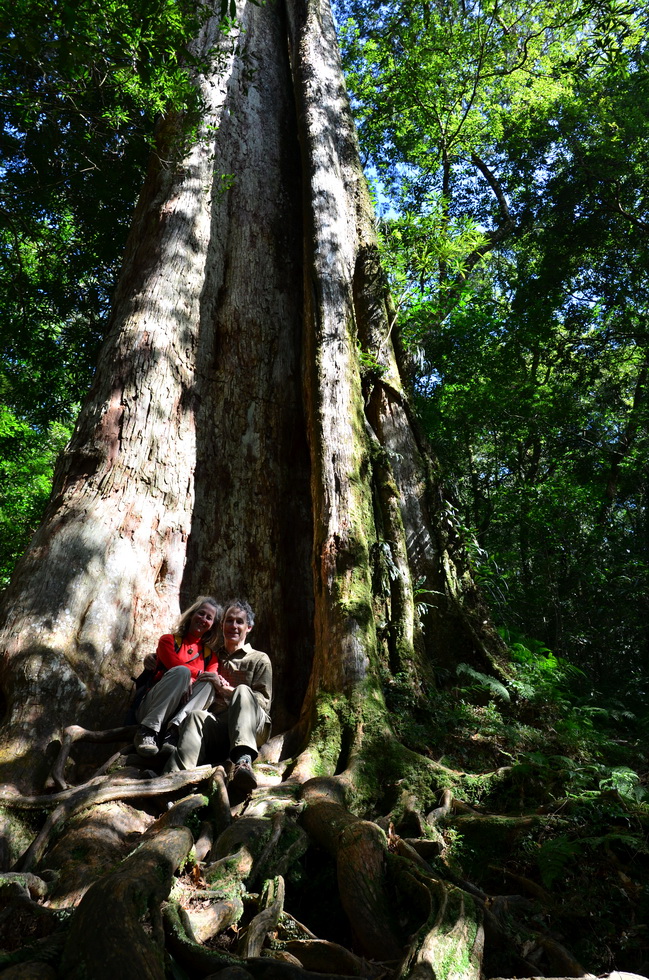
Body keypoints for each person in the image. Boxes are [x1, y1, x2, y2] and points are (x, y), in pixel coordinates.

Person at [164, 599, 272, 793]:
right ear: (222, 626)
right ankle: (172, 782)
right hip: (220, 728)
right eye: (229, 621)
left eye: (239, 622)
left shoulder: (259, 659)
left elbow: (264, 703)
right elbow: (183, 665)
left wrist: (228, 691)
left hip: (253, 728)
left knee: (242, 690)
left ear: (249, 628)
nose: (234, 626)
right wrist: (154, 660)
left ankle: (243, 762)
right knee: (196, 717)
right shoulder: (211, 656)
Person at [133, 595, 223, 757]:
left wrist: (194, 678)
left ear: (212, 626)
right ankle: (147, 731)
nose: (203, 619)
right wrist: (191, 676)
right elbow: (175, 665)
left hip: (181, 711)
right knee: (182, 672)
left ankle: (174, 732)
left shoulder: (211, 657)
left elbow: (212, 676)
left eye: (209, 618)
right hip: (151, 708)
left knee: (209, 685)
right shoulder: (168, 641)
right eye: (201, 613)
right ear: (192, 615)